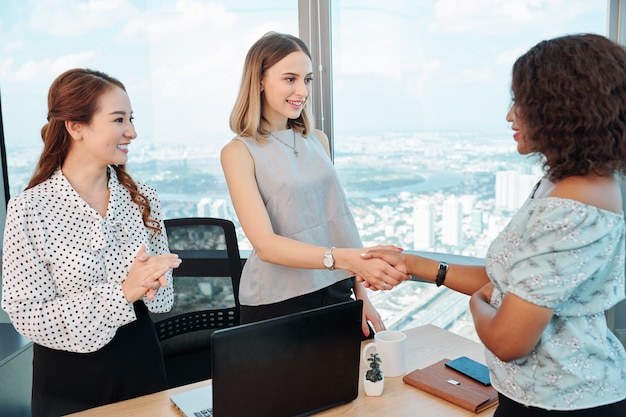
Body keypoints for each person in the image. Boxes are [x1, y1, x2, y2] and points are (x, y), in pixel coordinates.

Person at [363, 33, 626, 415]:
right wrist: (414, 265)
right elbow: (519, 282)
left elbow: (508, 340)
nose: (509, 115)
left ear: (561, 108)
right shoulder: (569, 182)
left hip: (564, 402)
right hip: (538, 394)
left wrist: (478, 303)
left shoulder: (573, 204)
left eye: (520, 103)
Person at [1, 68, 182, 417]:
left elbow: (160, 300)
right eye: (119, 119)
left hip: (142, 361)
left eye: (131, 119)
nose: (132, 132)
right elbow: (26, 314)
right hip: (69, 379)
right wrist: (124, 291)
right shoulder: (29, 210)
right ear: (75, 126)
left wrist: (153, 281)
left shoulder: (143, 197)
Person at [221, 31, 409, 337]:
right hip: (277, 301)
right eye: (290, 79)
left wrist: (362, 295)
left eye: (307, 79)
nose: (302, 90)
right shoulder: (239, 152)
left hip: (334, 288)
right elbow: (266, 245)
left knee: (347, 384)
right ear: (259, 80)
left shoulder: (318, 140)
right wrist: (345, 259)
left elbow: (339, 221)